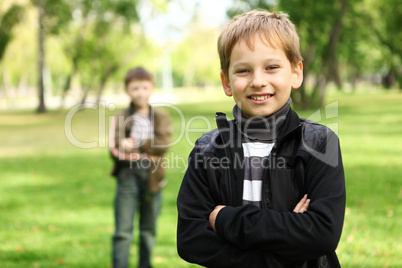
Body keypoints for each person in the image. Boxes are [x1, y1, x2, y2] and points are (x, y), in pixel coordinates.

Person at [177, 10, 345, 267]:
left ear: (296, 72)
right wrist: (286, 239)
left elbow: (322, 233)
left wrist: (225, 220)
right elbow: (190, 240)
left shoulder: (319, 143)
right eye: (243, 70)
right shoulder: (208, 151)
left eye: (272, 67)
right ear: (226, 82)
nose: (258, 81)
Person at [109, 67, 172, 268]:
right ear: (127, 90)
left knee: (148, 228)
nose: (140, 92)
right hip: (128, 175)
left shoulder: (160, 116)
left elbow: (163, 144)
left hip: (153, 176)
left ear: (152, 88)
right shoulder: (120, 116)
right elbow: (114, 149)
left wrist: (136, 144)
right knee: (123, 231)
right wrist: (142, 147)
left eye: (144, 87)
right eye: (135, 88)